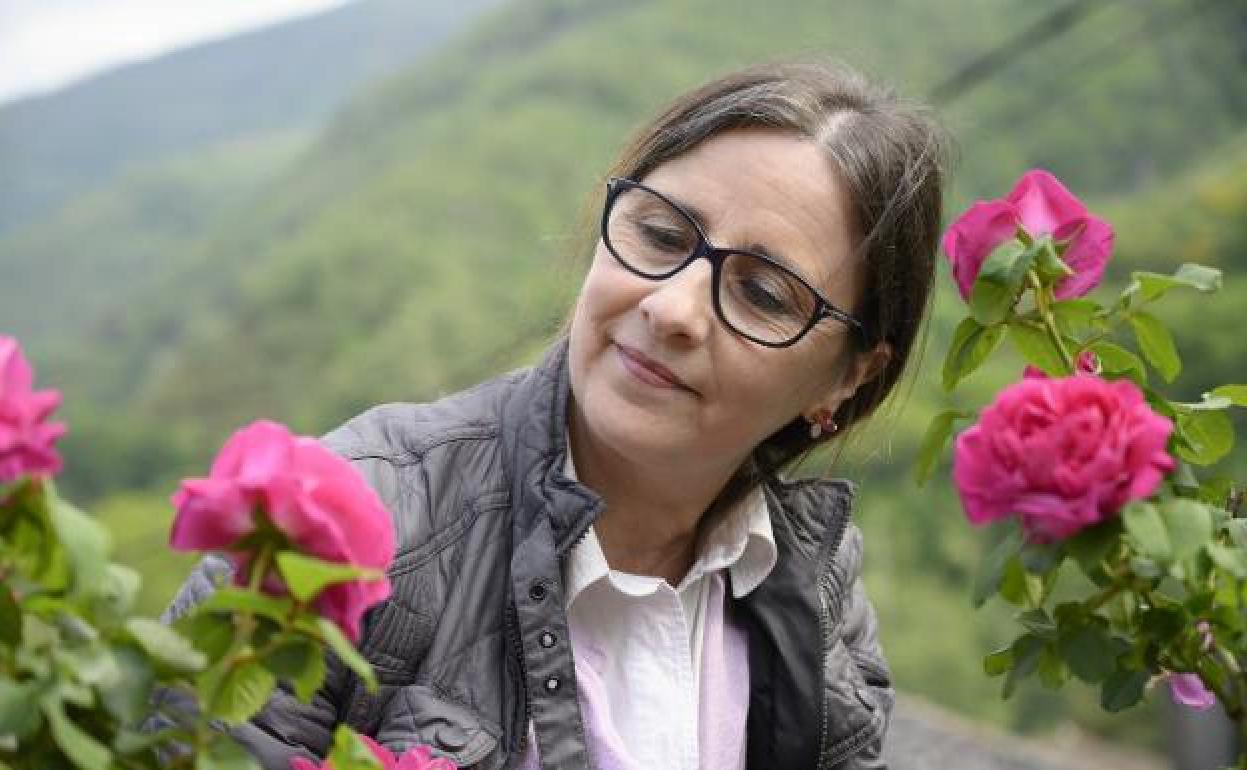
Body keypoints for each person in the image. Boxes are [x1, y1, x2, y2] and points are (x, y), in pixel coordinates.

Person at [164, 58, 947, 770]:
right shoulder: (356, 527)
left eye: (763, 294)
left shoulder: (815, 582)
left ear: (847, 379)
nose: (672, 306)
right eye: (661, 233)